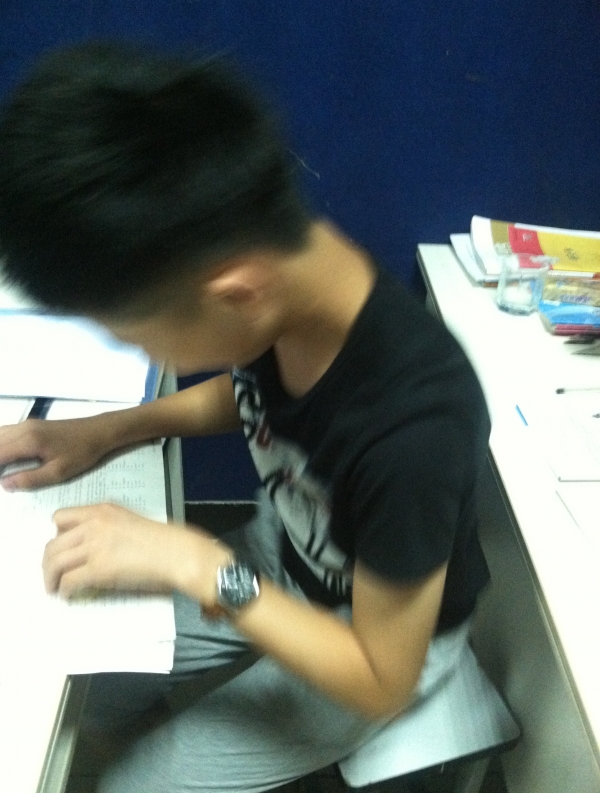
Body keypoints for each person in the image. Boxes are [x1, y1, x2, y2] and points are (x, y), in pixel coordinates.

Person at [0, 42, 491, 793]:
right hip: (287, 542)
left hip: (369, 643)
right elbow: (253, 396)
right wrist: (105, 430)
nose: (137, 351)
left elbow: (379, 679)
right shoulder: (290, 272)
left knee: (132, 784)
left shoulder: (415, 432)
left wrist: (199, 565)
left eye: (137, 336)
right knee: (88, 668)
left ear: (235, 294)